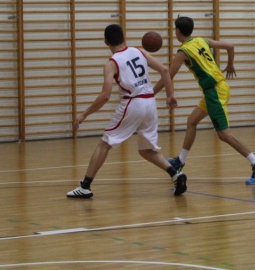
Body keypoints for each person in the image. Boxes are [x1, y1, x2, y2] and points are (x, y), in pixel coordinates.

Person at [67, 24, 187, 198]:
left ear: (106, 42)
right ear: (124, 38)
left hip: (133, 103)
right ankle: (176, 174)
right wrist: (170, 95)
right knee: (146, 150)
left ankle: (85, 187)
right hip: (150, 102)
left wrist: (84, 115)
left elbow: (105, 96)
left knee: (105, 144)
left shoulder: (111, 63)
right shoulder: (138, 51)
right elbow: (164, 69)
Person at [153, 16, 255, 185]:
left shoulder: (183, 52)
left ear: (178, 31)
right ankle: (180, 161)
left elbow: (168, 75)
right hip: (216, 89)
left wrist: (151, 93)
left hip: (214, 92)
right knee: (192, 121)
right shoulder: (202, 40)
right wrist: (230, 64)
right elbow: (230, 46)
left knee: (224, 135)